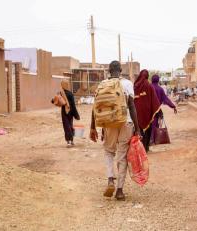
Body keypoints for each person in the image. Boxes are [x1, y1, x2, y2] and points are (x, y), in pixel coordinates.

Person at [90, 61, 140, 201]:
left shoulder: (102, 85)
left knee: (108, 152)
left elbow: (95, 107)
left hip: (109, 123)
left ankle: (110, 179)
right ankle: (119, 190)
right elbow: (131, 106)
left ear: (109, 71)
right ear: (121, 70)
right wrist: (138, 128)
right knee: (122, 155)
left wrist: (93, 127)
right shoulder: (128, 84)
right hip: (126, 122)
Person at [134, 70, 161, 152]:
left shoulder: (135, 86)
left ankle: (139, 148)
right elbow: (155, 101)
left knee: (138, 129)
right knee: (147, 129)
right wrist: (157, 111)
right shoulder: (149, 86)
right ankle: (146, 148)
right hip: (148, 112)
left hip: (137, 113)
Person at [151, 75, 177, 144]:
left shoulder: (148, 87)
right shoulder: (160, 89)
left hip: (148, 110)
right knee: (155, 123)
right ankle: (154, 139)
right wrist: (173, 106)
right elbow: (166, 99)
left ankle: (149, 140)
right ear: (158, 80)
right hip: (156, 110)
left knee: (149, 125)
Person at [59, 80, 80, 147]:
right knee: (70, 125)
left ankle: (68, 141)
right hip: (70, 112)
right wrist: (76, 114)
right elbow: (73, 105)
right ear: (67, 85)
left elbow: (53, 101)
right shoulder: (70, 94)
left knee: (66, 126)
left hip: (64, 112)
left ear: (62, 85)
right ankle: (72, 141)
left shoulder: (60, 93)